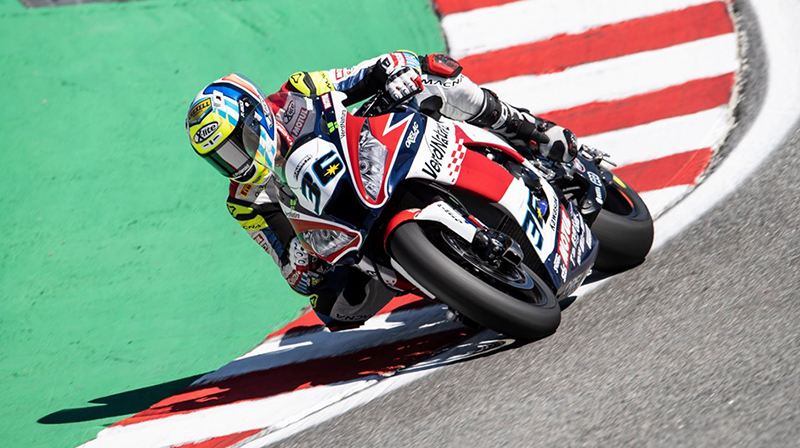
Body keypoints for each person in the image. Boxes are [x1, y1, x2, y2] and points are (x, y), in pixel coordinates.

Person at [185, 51, 578, 330]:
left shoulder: (300, 92)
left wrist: (394, 72)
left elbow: (372, 69)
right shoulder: (247, 201)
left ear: (255, 118)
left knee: (434, 73)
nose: (236, 161)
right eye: (221, 158)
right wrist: (301, 259)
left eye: (236, 145)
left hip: (374, 158)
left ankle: (526, 129)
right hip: (343, 233)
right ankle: (454, 286)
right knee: (337, 307)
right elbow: (292, 273)